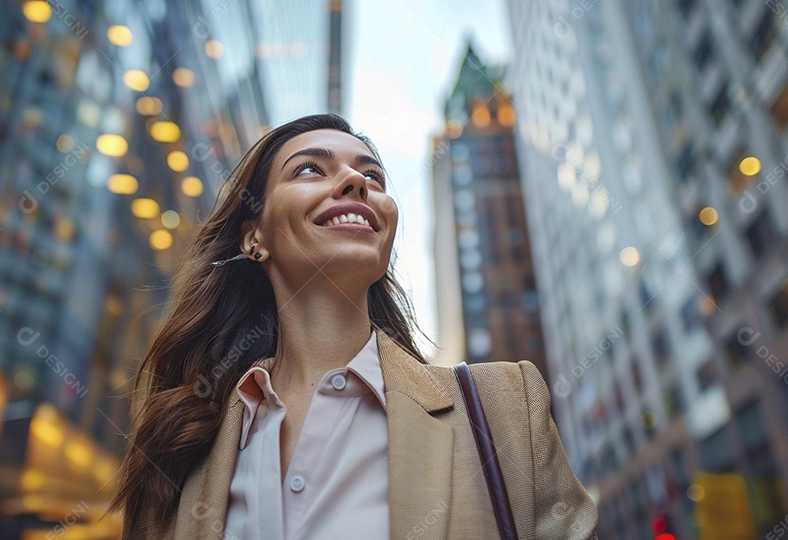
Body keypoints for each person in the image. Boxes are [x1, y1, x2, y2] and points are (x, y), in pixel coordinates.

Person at [110, 114, 598, 539]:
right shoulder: (179, 448)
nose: (356, 182)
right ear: (254, 236)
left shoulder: (506, 407)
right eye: (309, 169)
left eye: (373, 176)